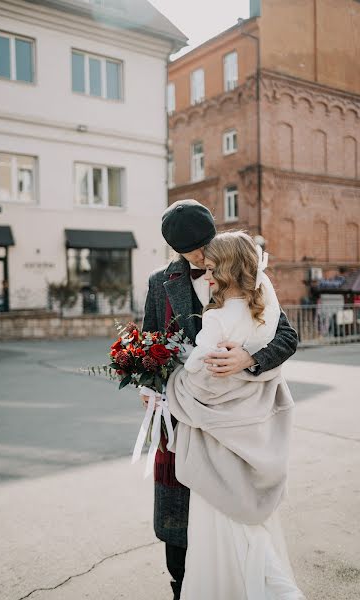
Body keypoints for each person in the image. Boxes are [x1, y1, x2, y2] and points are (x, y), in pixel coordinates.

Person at [142, 199, 298, 600]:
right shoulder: (161, 283)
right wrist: (147, 384)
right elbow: (148, 344)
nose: (202, 256)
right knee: (178, 528)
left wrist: (251, 359)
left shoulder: (248, 273)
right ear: (178, 252)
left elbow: (287, 336)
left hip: (234, 426)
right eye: (192, 252)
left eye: (204, 245)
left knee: (233, 516)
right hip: (182, 422)